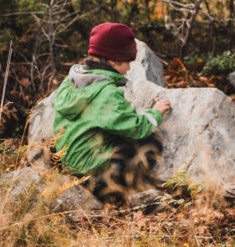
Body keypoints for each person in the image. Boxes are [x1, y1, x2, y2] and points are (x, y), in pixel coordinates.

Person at [52, 22, 172, 206]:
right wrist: (154, 114)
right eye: (127, 62)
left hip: (69, 162)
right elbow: (135, 129)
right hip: (91, 171)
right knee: (151, 141)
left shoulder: (71, 81)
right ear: (112, 62)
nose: (129, 68)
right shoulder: (107, 93)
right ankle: (113, 191)